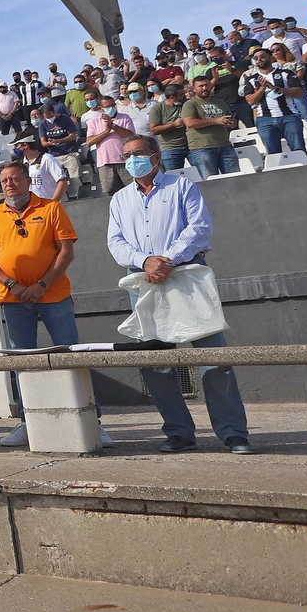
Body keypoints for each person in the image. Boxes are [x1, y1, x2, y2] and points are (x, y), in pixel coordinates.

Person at [106, 135, 254, 454]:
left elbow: (199, 229)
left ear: (156, 158)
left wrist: (167, 259)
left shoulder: (182, 186)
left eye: (138, 154)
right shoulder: (118, 199)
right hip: (144, 281)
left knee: (213, 358)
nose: (131, 160)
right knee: (156, 362)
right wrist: (146, 261)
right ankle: (178, 431)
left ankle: (233, 433)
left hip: (187, 276)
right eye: (126, 155)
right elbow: (116, 243)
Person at [0, 164, 110, 448]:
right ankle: (29, 423)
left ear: (28, 180)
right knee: (22, 363)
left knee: (71, 358)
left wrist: (42, 284)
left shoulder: (51, 208)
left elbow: (66, 252)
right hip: (13, 300)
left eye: (14, 178)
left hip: (54, 296)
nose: (9, 184)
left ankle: (93, 423)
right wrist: (13, 285)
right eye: (4, 180)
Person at [241, 47, 307, 156]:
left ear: (271, 58)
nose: (259, 59)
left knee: (299, 150)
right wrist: (262, 88)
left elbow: (299, 92)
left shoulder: (286, 73)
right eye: (256, 58)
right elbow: (250, 101)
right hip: (265, 120)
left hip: (289, 116)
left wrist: (276, 89)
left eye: (263, 56)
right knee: (274, 155)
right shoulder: (250, 79)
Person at [181, 73, 241, 178]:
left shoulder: (220, 102)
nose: (204, 88)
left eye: (207, 85)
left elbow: (232, 119)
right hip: (203, 148)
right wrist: (216, 121)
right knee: (211, 182)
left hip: (225, 146)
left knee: (235, 179)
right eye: (201, 86)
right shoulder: (190, 104)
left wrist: (232, 122)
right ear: (194, 89)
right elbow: (190, 123)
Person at [83, 93, 136, 194]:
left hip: (125, 161)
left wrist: (113, 126)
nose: (111, 108)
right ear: (101, 108)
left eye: (113, 106)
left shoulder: (125, 118)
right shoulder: (94, 122)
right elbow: (89, 142)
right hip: (105, 163)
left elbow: (130, 135)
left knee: (132, 190)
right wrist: (106, 132)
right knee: (109, 193)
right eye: (108, 106)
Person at [146, 82, 190, 171]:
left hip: (191, 146)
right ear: (172, 97)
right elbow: (153, 130)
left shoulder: (187, 104)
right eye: (181, 95)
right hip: (170, 149)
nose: (184, 96)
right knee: (174, 177)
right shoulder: (157, 109)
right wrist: (173, 125)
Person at [16, 137, 67, 201]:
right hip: (31, 206)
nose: (15, 149)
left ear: (26, 145)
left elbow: (63, 182)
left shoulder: (48, 159)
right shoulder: (20, 163)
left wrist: (53, 202)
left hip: (48, 204)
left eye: (16, 145)